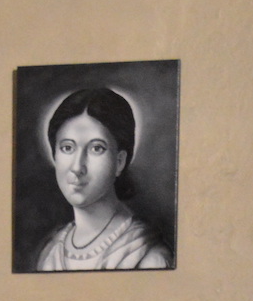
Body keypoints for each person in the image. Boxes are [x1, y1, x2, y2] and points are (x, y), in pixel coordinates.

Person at [34, 87, 171, 271]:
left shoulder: (148, 257)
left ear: (120, 161)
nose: (77, 167)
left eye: (96, 148)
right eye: (67, 148)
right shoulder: (51, 253)